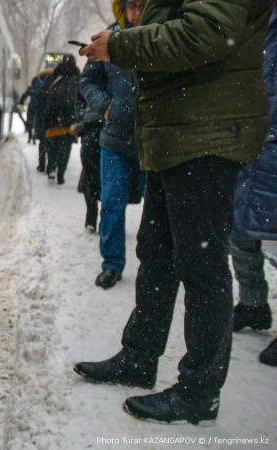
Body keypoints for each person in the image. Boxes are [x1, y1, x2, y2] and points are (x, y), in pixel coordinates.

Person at [74, 0, 272, 425]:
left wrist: (122, 45)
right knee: (157, 252)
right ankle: (140, 356)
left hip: (206, 131)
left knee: (201, 264)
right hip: (178, 128)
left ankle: (199, 391)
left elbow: (207, 32)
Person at [80, 0, 147, 289]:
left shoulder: (159, 38)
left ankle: (158, 269)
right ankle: (112, 264)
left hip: (155, 142)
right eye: (131, 5)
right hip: (115, 141)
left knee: (161, 211)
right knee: (111, 203)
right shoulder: (108, 40)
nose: (136, 13)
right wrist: (105, 107)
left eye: (142, 5)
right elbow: (87, 81)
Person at [230, 7, 277, 367]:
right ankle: (253, 304)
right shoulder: (251, 15)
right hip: (251, 139)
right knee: (240, 230)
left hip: (268, 137)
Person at [40, 55, 80, 185]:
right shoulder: (77, 79)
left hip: (51, 121)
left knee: (52, 148)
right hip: (68, 122)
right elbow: (81, 99)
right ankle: (61, 173)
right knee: (65, 149)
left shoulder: (53, 77)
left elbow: (42, 95)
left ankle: (51, 168)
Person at [73, 91, 103, 233]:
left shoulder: (89, 82)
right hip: (101, 133)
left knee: (91, 179)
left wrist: (82, 121)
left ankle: (93, 218)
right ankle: (99, 220)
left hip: (97, 133)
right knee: (98, 179)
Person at [20, 77, 42, 144]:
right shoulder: (43, 86)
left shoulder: (31, 88)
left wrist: (21, 103)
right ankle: (35, 138)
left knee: (30, 123)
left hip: (32, 107)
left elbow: (24, 96)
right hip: (39, 108)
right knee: (36, 123)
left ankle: (30, 138)